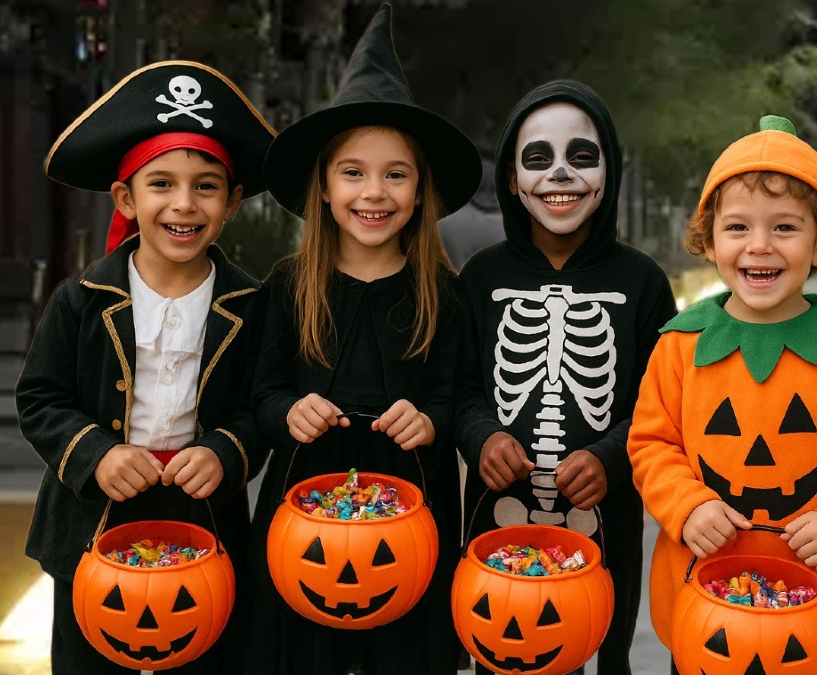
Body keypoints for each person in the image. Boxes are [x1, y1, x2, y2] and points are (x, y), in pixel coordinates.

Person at [626, 116, 817, 675]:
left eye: (785, 229)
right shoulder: (680, 346)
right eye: (737, 228)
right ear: (709, 240)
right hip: (707, 605)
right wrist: (685, 505)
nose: (759, 246)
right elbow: (651, 443)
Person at [16, 61, 275, 673]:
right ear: (126, 198)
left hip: (202, 512)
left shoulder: (251, 305)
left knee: (207, 656)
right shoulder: (80, 298)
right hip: (90, 518)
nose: (184, 204)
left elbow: (261, 405)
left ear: (233, 202)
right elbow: (40, 399)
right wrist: (96, 454)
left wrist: (225, 451)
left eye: (207, 186)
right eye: (161, 184)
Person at [245, 4, 481, 674]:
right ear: (322, 186)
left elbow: (456, 394)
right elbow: (262, 390)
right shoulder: (290, 285)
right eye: (353, 172)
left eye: (394, 174)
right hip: (304, 520)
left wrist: (430, 422)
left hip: (410, 520)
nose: (372, 192)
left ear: (418, 191)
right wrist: (288, 410)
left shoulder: (444, 292)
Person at [453, 80, 677, 675]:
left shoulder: (644, 281)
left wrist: (610, 455)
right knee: (509, 652)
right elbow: (461, 388)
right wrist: (481, 437)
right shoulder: (480, 278)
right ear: (510, 179)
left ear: (609, 172)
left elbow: (664, 403)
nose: (559, 175)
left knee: (603, 650)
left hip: (606, 517)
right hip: (497, 515)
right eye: (537, 159)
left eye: (582, 157)